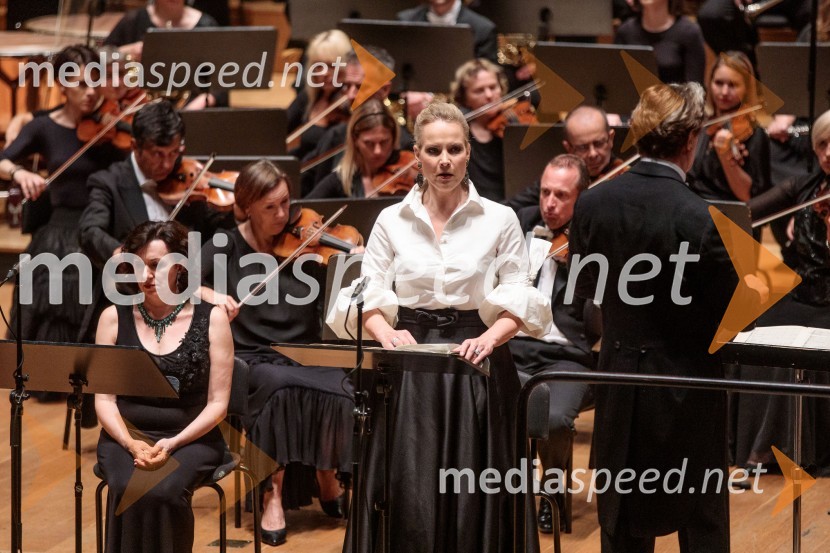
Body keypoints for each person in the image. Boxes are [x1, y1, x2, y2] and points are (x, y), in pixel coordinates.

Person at [328, 101, 552, 553]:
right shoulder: (391, 220)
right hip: (409, 361)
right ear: (417, 155)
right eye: (433, 150)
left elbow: (519, 292)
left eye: (454, 148)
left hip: (480, 358)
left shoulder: (500, 218)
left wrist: (489, 339)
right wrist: (383, 332)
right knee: (410, 484)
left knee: (475, 488)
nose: (444, 160)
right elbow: (367, 291)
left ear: (469, 152)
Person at [568, 82, 737, 552]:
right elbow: (730, 308)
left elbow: (587, 292)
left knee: (622, 522)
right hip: (690, 389)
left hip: (619, 379)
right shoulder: (702, 217)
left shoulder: (592, 203)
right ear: (691, 141)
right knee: (701, 520)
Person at [198, 160, 354, 547]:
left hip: (305, 351)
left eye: (286, 203)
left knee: (344, 384)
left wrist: (352, 256)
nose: (283, 215)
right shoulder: (224, 244)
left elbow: (343, 284)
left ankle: (326, 471)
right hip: (253, 356)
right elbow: (180, 285)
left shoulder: (303, 242)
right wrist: (213, 295)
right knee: (276, 386)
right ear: (246, 207)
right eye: (270, 208)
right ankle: (272, 494)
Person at [95, 220, 233, 553]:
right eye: (138, 265)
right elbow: (104, 400)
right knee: (127, 485)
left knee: (163, 489)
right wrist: (130, 444)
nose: (146, 275)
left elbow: (218, 404)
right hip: (126, 435)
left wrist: (172, 444)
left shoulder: (212, 318)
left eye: (156, 265)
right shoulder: (113, 318)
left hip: (191, 438)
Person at [78, 100, 234, 342]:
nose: (167, 164)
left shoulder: (190, 182)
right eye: (157, 154)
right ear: (135, 147)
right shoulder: (108, 182)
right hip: (132, 304)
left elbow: (224, 233)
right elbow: (89, 231)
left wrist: (193, 275)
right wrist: (120, 253)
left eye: (174, 153)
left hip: (187, 308)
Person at [0, 44, 123, 343]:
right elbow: (2, 160)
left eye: (96, 81)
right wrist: (20, 172)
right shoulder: (44, 126)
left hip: (102, 227)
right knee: (47, 287)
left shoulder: (114, 125)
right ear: (63, 86)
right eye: (81, 84)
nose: (91, 92)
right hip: (59, 229)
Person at [733, 109, 830, 472]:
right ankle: (760, 448)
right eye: (822, 144)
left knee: (804, 344)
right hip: (804, 296)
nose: (829, 152)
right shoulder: (803, 188)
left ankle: (781, 452)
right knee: (756, 331)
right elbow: (744, 214)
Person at [509, 154, 598, 534]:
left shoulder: (594, 238)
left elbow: (601, 318)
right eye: (545, 192)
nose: (550, 203)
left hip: (567, 357)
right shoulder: (521, 225)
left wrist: (581, 263)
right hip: (513, 348)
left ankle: (553, 487)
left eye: (561, 195)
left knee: (556, 417)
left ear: (581, 199)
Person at [299, 46, 406, 196]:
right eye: (347, 86)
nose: (350, 95)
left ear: (385, 90)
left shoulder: (407, 144)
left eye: (359, 87)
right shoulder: (335, 137)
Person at [103, 0, 223, 109]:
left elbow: (224, 78)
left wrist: (197, 106)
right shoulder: (134, 20)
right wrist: (128, 50)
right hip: (139, 108)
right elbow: (100, 57)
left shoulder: (207, 25)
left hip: (193, 107)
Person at [506, 104, 624, 212]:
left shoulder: (625, 178)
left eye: (599, 143)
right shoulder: (559, 178)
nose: (593, 154)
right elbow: (511, 206)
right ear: (569, 148)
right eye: (583, 147)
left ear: (611, 138)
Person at [689, 51, 771, 203]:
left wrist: (725, 157)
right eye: (719, 83)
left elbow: (748, 196)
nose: (724, 92)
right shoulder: (701, 123)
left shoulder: (754, 134)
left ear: (746, 88)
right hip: (695, 205)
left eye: (732, 85)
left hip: (729, 214)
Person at [306, 99, 417, 198]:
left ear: (393, 138)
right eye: (369, 143)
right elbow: (305, 210)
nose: (377, 151)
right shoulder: (342, 180)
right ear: (355, 140)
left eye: (384, 142)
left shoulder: (409, 167)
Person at [286, 29, 352, 160]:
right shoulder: (309, 96)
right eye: (318, 66)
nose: (323, 73)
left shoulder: (351, 104)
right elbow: (278, 129)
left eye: (331, 65)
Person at [451, 58, 509, 202]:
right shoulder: (458, 133)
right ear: (465, 98)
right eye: (479, 91)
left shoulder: (514, 125)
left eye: (493, 87)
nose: (489, 95)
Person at [614, 0, 706, 85]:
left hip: (675, 101)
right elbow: (616, 81)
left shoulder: (689, 32)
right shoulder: (625, 31)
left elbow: (695, 90)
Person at [397, 0, 498, 62]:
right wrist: (408, 90)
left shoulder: (483, 28)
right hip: (415, 95)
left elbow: (486, 78)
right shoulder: (404, 20)